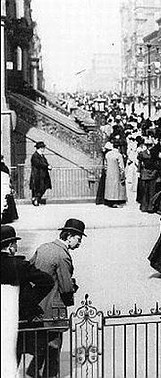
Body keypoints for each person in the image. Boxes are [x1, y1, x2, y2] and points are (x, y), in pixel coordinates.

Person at [29, 218, 86, 378]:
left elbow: (32, 272)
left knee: (41, 344)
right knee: (54, 346)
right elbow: (66, 288)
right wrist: (72, 290)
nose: (79, 243)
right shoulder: (63, 256)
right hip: (55, 309)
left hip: (38, 306)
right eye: (78, 239)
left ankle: (32, 372)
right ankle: (51, 375)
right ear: (69, 237)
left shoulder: (43, 248)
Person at [1, 225, 54, 377]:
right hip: (20, 318)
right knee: (37, 346)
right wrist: (28, 301)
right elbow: (47, 281)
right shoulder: (19, 266)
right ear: (11, 246)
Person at [104, 142, 127, 208]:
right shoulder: (118, 155)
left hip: (109, 173)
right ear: (119, 147)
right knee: (116, 188)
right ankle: (116, 202)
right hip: (116, 173)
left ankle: (109, 201)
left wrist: (107, 172)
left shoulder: (107, 154)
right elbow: (121, 166)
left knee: (110, 187)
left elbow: (105, 165)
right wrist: (122, 174)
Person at [29, 141, 52, 206]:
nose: (43, 149)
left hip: (43, 175)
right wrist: (47, 166)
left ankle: (36, 199)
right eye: (42, 148)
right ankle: (36, 199)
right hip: (37, 175)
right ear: (39, 148)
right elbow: (38, 164)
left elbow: (44, 163)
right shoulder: (35, 156)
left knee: (43, 187)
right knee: (38, 188)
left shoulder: (41, 156)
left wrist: (48, 166)